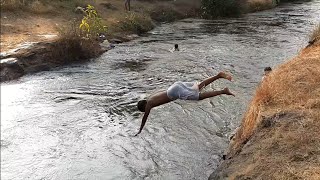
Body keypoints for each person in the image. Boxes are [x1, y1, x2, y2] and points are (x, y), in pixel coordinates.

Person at [135, 72, 235, 136]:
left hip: (174, 92)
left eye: (143, 109)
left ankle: (223, 91)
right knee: (199, 87)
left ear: (144, 106)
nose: (146, 110)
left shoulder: (149, 104)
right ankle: (218, 76)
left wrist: (140, 130)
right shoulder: (151, 98)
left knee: (199, 97)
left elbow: (145, 118)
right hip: (175, 86)